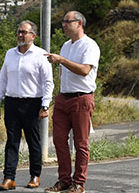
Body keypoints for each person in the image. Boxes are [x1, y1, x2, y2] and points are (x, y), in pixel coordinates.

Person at [0, 20, 54, 190]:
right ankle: (9, 178)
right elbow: (2, 79)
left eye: (24, 32)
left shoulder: (41, 55)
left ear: (33, 36)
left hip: (32, 103)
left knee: (33, 141)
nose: (20, 35)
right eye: (19, 32)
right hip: (12, 102)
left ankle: (35, 175)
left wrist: (45, 105)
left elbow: (48, 82)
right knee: (11, 141)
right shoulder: (9, 54)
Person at [44, 11, 100, 193]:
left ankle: (79, 183)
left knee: (81, 143)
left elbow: (84, 70)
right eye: (63, 22)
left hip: (81, 98)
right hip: (63, 97)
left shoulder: (90, 45)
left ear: (80, 23)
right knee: (59, 141)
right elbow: (62, 72)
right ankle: (64, 180)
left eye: (68, 22)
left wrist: (61, 60)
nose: (64, 25)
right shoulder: (66, 45)